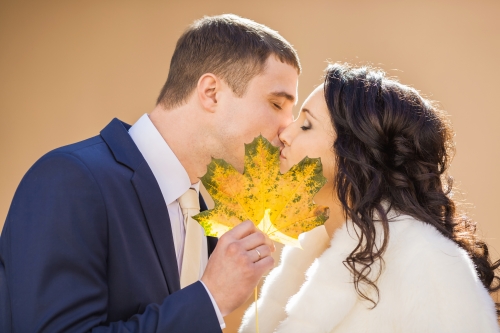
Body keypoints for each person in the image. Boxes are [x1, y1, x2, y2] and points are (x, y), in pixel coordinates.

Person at [0, 14, 301, 332]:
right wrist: (211, 298)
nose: (287, 128)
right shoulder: (70, 180)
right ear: (211, 92)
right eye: (276, 103)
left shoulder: (203, 212)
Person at [239, 63, 500, 333]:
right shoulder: (305, 260)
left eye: (306, 125)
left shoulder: (429, 265)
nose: (284, 134)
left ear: (355, 153)